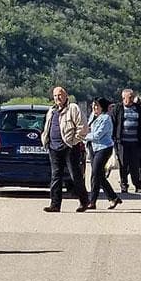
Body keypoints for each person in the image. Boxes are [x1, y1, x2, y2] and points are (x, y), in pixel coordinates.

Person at [42, 86, 89, 214]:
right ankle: (55, 205)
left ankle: (84, 201)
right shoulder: (51, 111)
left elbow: (83, 127)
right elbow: (47, 127)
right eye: (55, 96)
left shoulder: (73, 108)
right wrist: (45, 140)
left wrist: (74, 141)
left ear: (66, 95)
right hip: (54, 147)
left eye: (60, 95)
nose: (58, 98)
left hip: (69, 147)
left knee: (75, 175)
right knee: (55, 176)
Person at [85, 98, 121, 210]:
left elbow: (97, 135)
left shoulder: (106, 118)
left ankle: (92, 201)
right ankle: (113, 197)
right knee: (99, 175)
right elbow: (87, 128)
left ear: (102, 107)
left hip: (103, 147)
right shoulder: (92, 116)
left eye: (97, 106)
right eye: (93, 106)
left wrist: (83, 136)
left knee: (96, 173)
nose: (95, 108)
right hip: (92, 147)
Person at [111, 88, 141, 194]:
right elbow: (113, 123)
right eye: (129, 97)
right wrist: (113, 139)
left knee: (135, 165)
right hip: (122, 142)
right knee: (123, 165)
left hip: (135, 142)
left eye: (132, 97)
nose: (131, 99)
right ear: (123, 98)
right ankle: (124, 185)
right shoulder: (118, 108)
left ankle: (137, 185)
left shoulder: (138, 109)